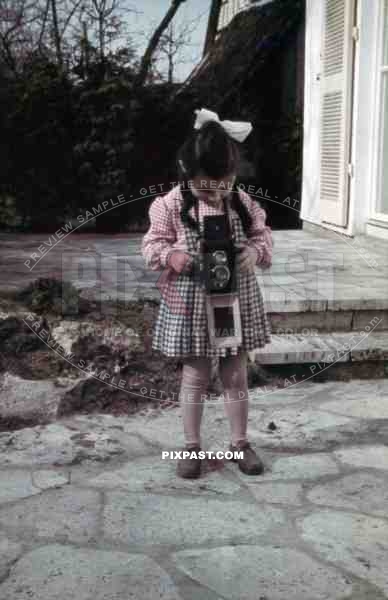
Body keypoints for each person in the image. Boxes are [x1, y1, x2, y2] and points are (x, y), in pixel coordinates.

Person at [141, 107, 273, 479]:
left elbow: (263, 236)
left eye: (223, 185)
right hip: (193, 305)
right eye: (204, 187)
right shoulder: (168, 205)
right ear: (187, 174)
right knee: (195, 376)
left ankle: (240, 443)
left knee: (235, 375)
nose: (214, 194)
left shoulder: (243, 204)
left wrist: (255, 252)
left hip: (235, 300)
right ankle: (191, 446)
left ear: (233, 175)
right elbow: (151, 244)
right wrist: (171, 255)